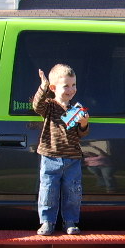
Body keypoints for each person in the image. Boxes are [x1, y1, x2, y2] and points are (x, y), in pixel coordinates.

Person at [33, 64, 90, 235]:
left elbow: (81, 134)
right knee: (48, 190)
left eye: (73, 85)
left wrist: (84, 123)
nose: (71, 89)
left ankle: (70, 222)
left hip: (72, 159)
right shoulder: (49, 106)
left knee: (72, 192)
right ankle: (47, 222)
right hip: (50, 157)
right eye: (66, 86)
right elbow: (37, 105)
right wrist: (43, 86)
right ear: (53, 88)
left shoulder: (76, 109)